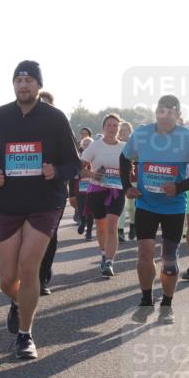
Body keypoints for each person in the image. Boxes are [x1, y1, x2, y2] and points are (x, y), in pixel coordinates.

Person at [0, 61, 81, 359]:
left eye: (28, 80)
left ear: (39, 85)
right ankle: (19, 302)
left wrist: (56, 170)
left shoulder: (54, 117)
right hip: (9, 203)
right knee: (5, 280)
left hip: (44, 203)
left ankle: (25, 335)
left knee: (29, 267)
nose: (23, 85)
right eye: (18, 80)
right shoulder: (0, 116)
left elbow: (74, 163)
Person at [120, 94, 189, 324]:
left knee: (169, 259)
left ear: (178, 116)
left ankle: (167, 305)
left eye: (171, 111)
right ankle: (146, 301)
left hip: (174, 207)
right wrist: (126, 187)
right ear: (156, 112)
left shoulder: (187, 137)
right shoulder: (142, 133)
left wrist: (179, 186)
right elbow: (124, 158)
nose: (166, 114)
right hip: (146, 204)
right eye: (162, 110)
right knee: (144, 254)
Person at [80, 114, 126, 276]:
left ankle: (109, 262)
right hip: (97, 191)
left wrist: (127, 174)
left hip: (117, 191)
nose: (112, 128)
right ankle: (103, 252)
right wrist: (93, 175)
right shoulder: (94, 146)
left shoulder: (124, 147)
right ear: (103, 127)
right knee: (101, 227)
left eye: (115, 125)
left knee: (112, 225)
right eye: (109, 125)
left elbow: (130, 169)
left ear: (119, 128)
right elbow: (80, 168)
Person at [35, 91, 65, 296]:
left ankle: (43, 278)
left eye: (45, 105)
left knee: (49, 237)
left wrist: (56, 170)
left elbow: (73, 162)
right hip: (23, 193)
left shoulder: (60, 129)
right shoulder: (20, 128)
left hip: (53, 194)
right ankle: (29, 277)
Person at [118, 120, 134, 244]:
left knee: (131, 207)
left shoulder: (135, 144)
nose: (123, 132)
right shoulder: (117, 144)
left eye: (125, 130)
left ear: (130, 131)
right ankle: (120, 230)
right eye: (121, 130)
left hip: (134, 179)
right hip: (119, 179)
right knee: (121, 206)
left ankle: (133, 225)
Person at [76, 136, 94, 241]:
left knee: (90, 210)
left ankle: (89, 232)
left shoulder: (95, 156)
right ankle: (83, 222)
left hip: (92, 186)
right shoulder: (78, 157)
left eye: (89, 144)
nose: (87, 146)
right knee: (81, 207)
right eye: (85, 144)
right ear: (82, 145)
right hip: (80, 187)